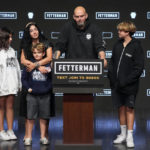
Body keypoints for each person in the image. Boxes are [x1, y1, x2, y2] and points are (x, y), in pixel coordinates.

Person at [108, 21, 144, 148]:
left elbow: (139, 68)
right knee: (120, 108)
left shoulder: (136, 46)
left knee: (129, 109)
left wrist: (126, 81)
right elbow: (112, 62)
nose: (118, 32)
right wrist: (112, 79)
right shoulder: (117, 45)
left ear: (128, 32)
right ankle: (122, 134)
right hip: (117, 85)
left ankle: (130, 136)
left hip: (130, 86)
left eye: (121, 30)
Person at [19, 22, 53, 143]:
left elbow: (49, 58)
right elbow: (23, 60)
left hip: (44, 86)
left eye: (35, 29)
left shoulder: (46, 42)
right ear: (28, 33)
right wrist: (36, 66)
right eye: (31, 30)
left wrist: (36, 64)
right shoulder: (26, 44)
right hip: (31, 83)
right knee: (29, 113)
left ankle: (44, 136)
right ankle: (27, 136)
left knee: (45, 113)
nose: (34, 31)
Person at [0, 27, 22, 140]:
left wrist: (19, 83)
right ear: (3, 38)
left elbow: (17, 68)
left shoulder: (12, 50)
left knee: (10, 107)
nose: (11, 39)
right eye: (9, 37)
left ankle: (10, 130)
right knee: (1, 108)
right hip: (1, 85)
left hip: (12, 83)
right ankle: (1, 131)